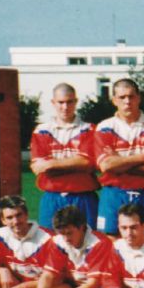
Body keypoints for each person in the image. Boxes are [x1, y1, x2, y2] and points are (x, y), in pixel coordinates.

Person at [94, 79, 144, 236]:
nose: (127, 101)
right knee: (112, 240)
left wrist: (119, 161)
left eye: (131, 96)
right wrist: (142, 157)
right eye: (122, 97)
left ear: (139, 98)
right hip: (114, 194)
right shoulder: (105, 128)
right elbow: (106, 165)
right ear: (114, 100)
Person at [29, 83, 99, 229]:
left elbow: (87, 163)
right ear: (53, 103)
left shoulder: (89, 129)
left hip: (83, 196)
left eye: (69, 102)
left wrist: (51, 164)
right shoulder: (42, 130)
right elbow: (37, 167)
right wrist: (74, 164)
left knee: (88, 239)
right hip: (52, 197)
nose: (65, 107)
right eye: (61, 102)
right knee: (50, 239)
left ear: (76, 102)